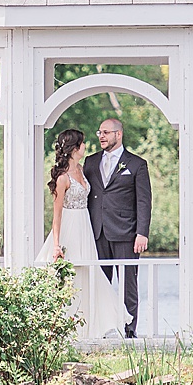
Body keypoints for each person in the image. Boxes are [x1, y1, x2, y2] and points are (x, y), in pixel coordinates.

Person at [35, 128, 128, 338]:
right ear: (75, 148)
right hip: (70, 227)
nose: (86, 146)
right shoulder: (62, 178)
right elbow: (56, 215)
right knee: (72, 275)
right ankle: (68, 328)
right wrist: (57, 244)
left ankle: (91, 327)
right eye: (83, 143)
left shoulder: (83, 169)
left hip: (85, 225)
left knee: (89, 274)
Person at [83, 118, 152, 338]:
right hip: (97, 232)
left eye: (105, 132)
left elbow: (144, 201)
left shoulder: (136, 164)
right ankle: (99, 328)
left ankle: (130, 330)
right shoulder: (90, 162)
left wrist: (142, 233)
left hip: (126, 233)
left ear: (118, 134)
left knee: (128, 285)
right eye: (99, 132)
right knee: (99, 283)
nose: (101, 136)